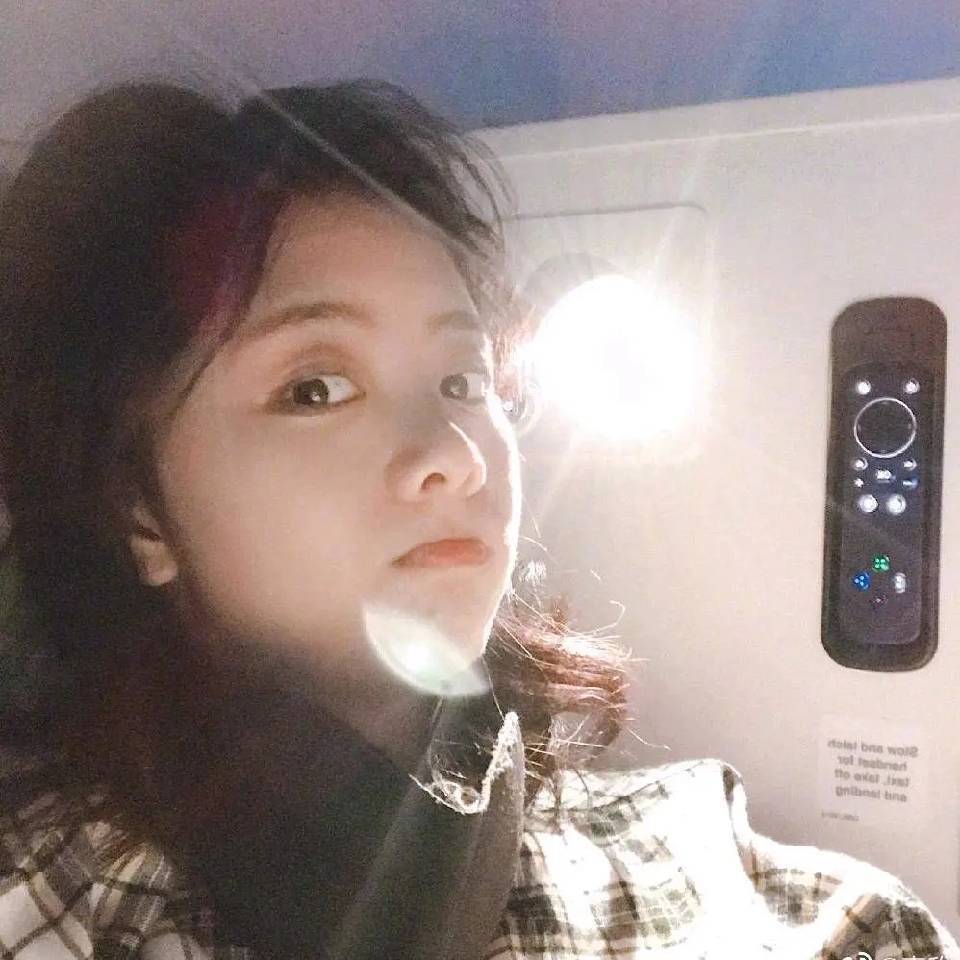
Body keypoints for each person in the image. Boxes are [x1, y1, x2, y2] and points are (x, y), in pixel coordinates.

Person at [0, 78, 955, 960]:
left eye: (464, 379)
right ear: (142, 516)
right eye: (317, 388)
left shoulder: (731, 875)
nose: (454, 453)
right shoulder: (63, 903)